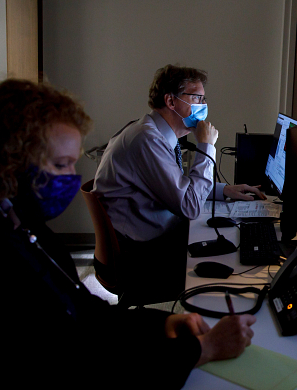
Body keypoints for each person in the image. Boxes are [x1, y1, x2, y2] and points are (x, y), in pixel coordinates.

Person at [0, 79, 256, 390]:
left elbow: (84, 313)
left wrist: (161, 324)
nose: (73, 177)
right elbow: (82, 364)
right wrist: (203, 350)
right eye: (61, 164)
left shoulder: (17, 224)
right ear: (6, 162)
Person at [92, 65, 265, 301]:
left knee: (227, 240)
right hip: (141, 256)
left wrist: (224, 190)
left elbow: (178, 186)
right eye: (196, 98)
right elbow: (189, 206)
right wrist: (207, 147)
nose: (203, 106)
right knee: (229, 263)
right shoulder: (147, 139)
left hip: (149, 241)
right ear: (171, 101)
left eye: (204, 99)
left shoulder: (155, 133)